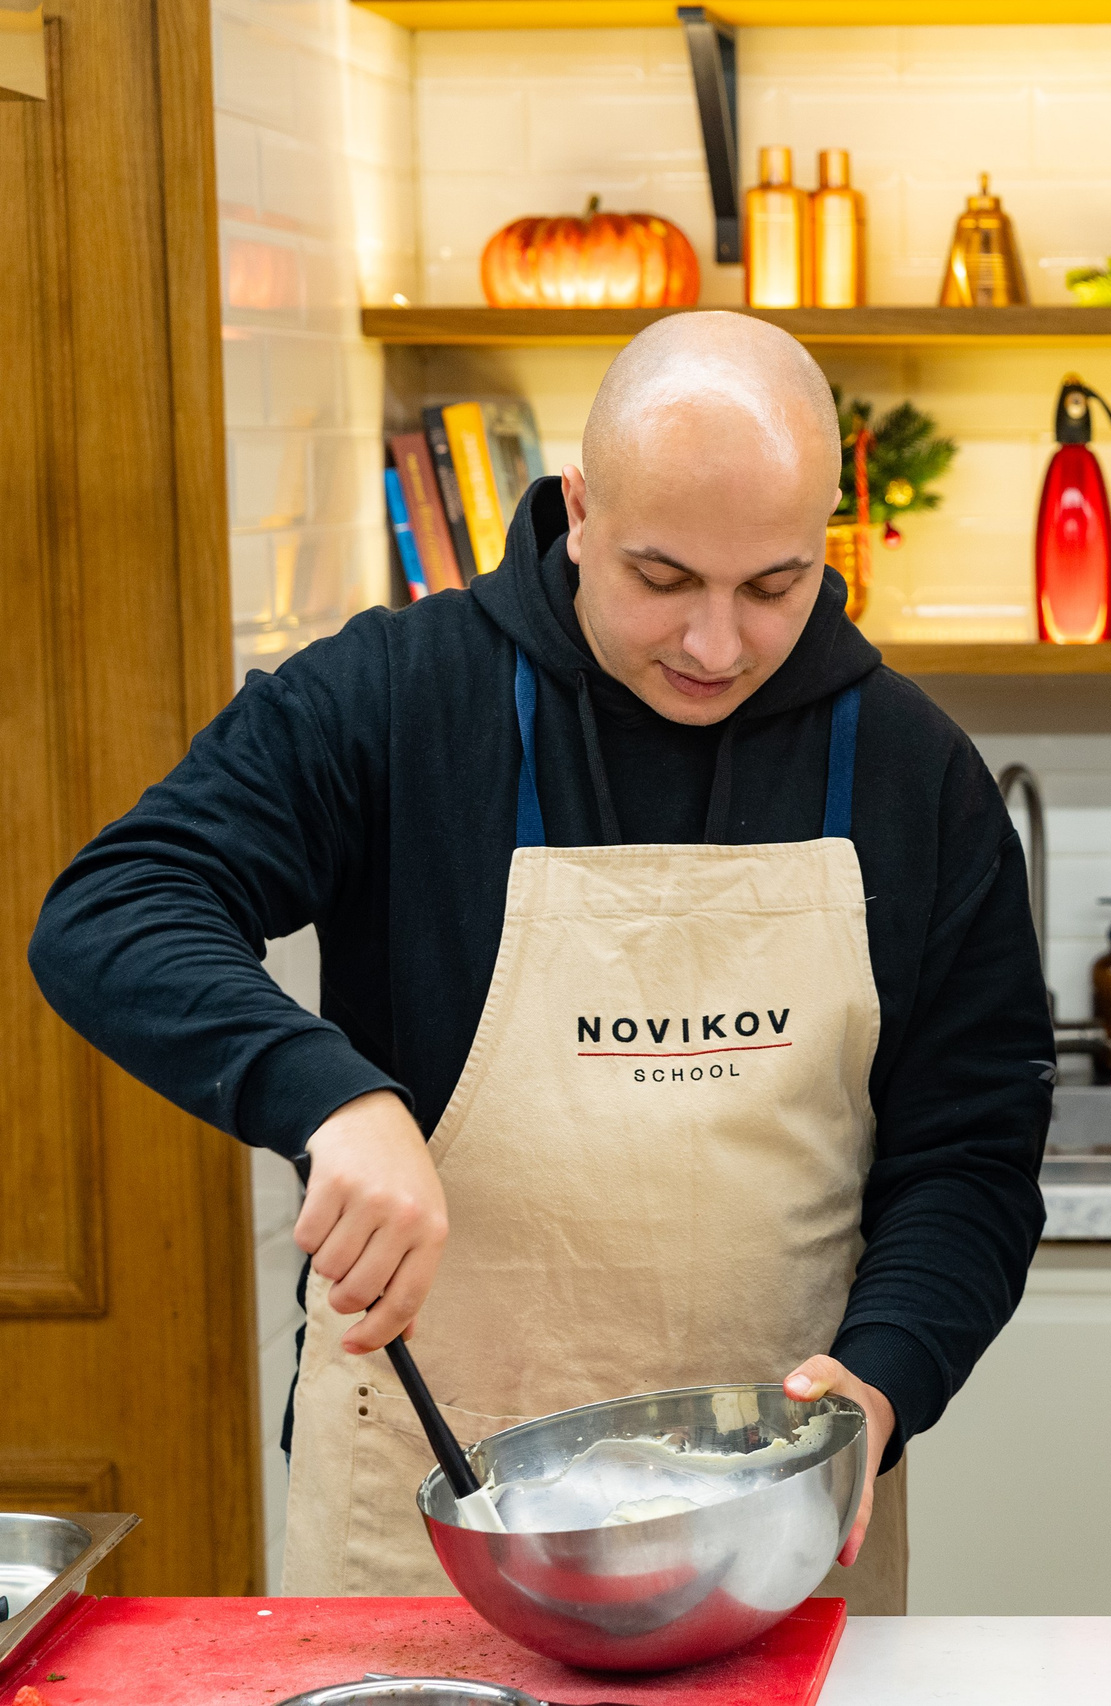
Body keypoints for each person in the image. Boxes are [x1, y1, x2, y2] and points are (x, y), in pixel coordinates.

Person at [28, 312, 1051, 1605]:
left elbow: (970, 1159)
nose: (717, 644)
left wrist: (886, 1373)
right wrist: (331, 1097)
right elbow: (114, 906)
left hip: (770, 1543)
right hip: (430, 1534)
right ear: (579, 508)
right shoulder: (400, 698)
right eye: (664, 578)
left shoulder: (918, 772)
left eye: (775, 586)